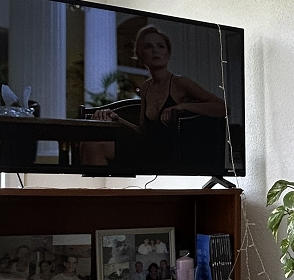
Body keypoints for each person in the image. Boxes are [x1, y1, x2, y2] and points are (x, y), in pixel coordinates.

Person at [91, 25, 227, 171]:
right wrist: (118, 119)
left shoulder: (180, 83)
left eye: (160, 46)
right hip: (148, 151)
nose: (155, 50)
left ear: (168, 54)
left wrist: (182, 106)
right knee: (91, 146)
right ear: (140, 55)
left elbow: (223, 107)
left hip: (172, 156)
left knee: (96, 148)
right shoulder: (146, 87)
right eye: (148, 46)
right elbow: (143, 131)